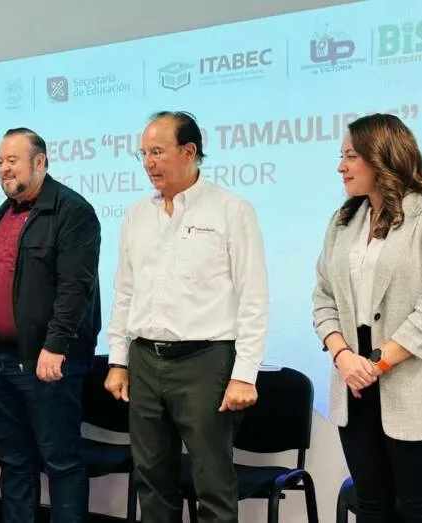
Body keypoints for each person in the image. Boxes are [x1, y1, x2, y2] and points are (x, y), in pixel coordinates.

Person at [105, 111, 269, 523]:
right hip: (144, 360)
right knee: (150, 479)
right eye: (143, 154)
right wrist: (118, 360)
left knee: (212, 482)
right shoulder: (136, 215)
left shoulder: (231, 210)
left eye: (157, 152)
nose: (148, 163)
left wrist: (245, 374)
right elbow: (125, 292)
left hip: (205, 362)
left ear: (189, 151)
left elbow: (253, 297)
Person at [312, 113, 422, 522]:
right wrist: (343, 356)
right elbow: (323, 298)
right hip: (352, 382)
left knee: (420, 508)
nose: (341, 167)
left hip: (411, 379)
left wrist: (376, 364)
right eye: (341, 156)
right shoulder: (342, 220)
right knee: (371, 506)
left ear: (382, 157)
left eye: (350, 156)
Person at [0, 127, 101, 523]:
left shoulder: (72, 211)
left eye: (12, 160)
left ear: (40, 161)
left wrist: (56, 345)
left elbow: (75, 287)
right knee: (14, 462)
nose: (3, 168)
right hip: (0, 360)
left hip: (45, 361)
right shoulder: (5, 211)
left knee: (61, 462)